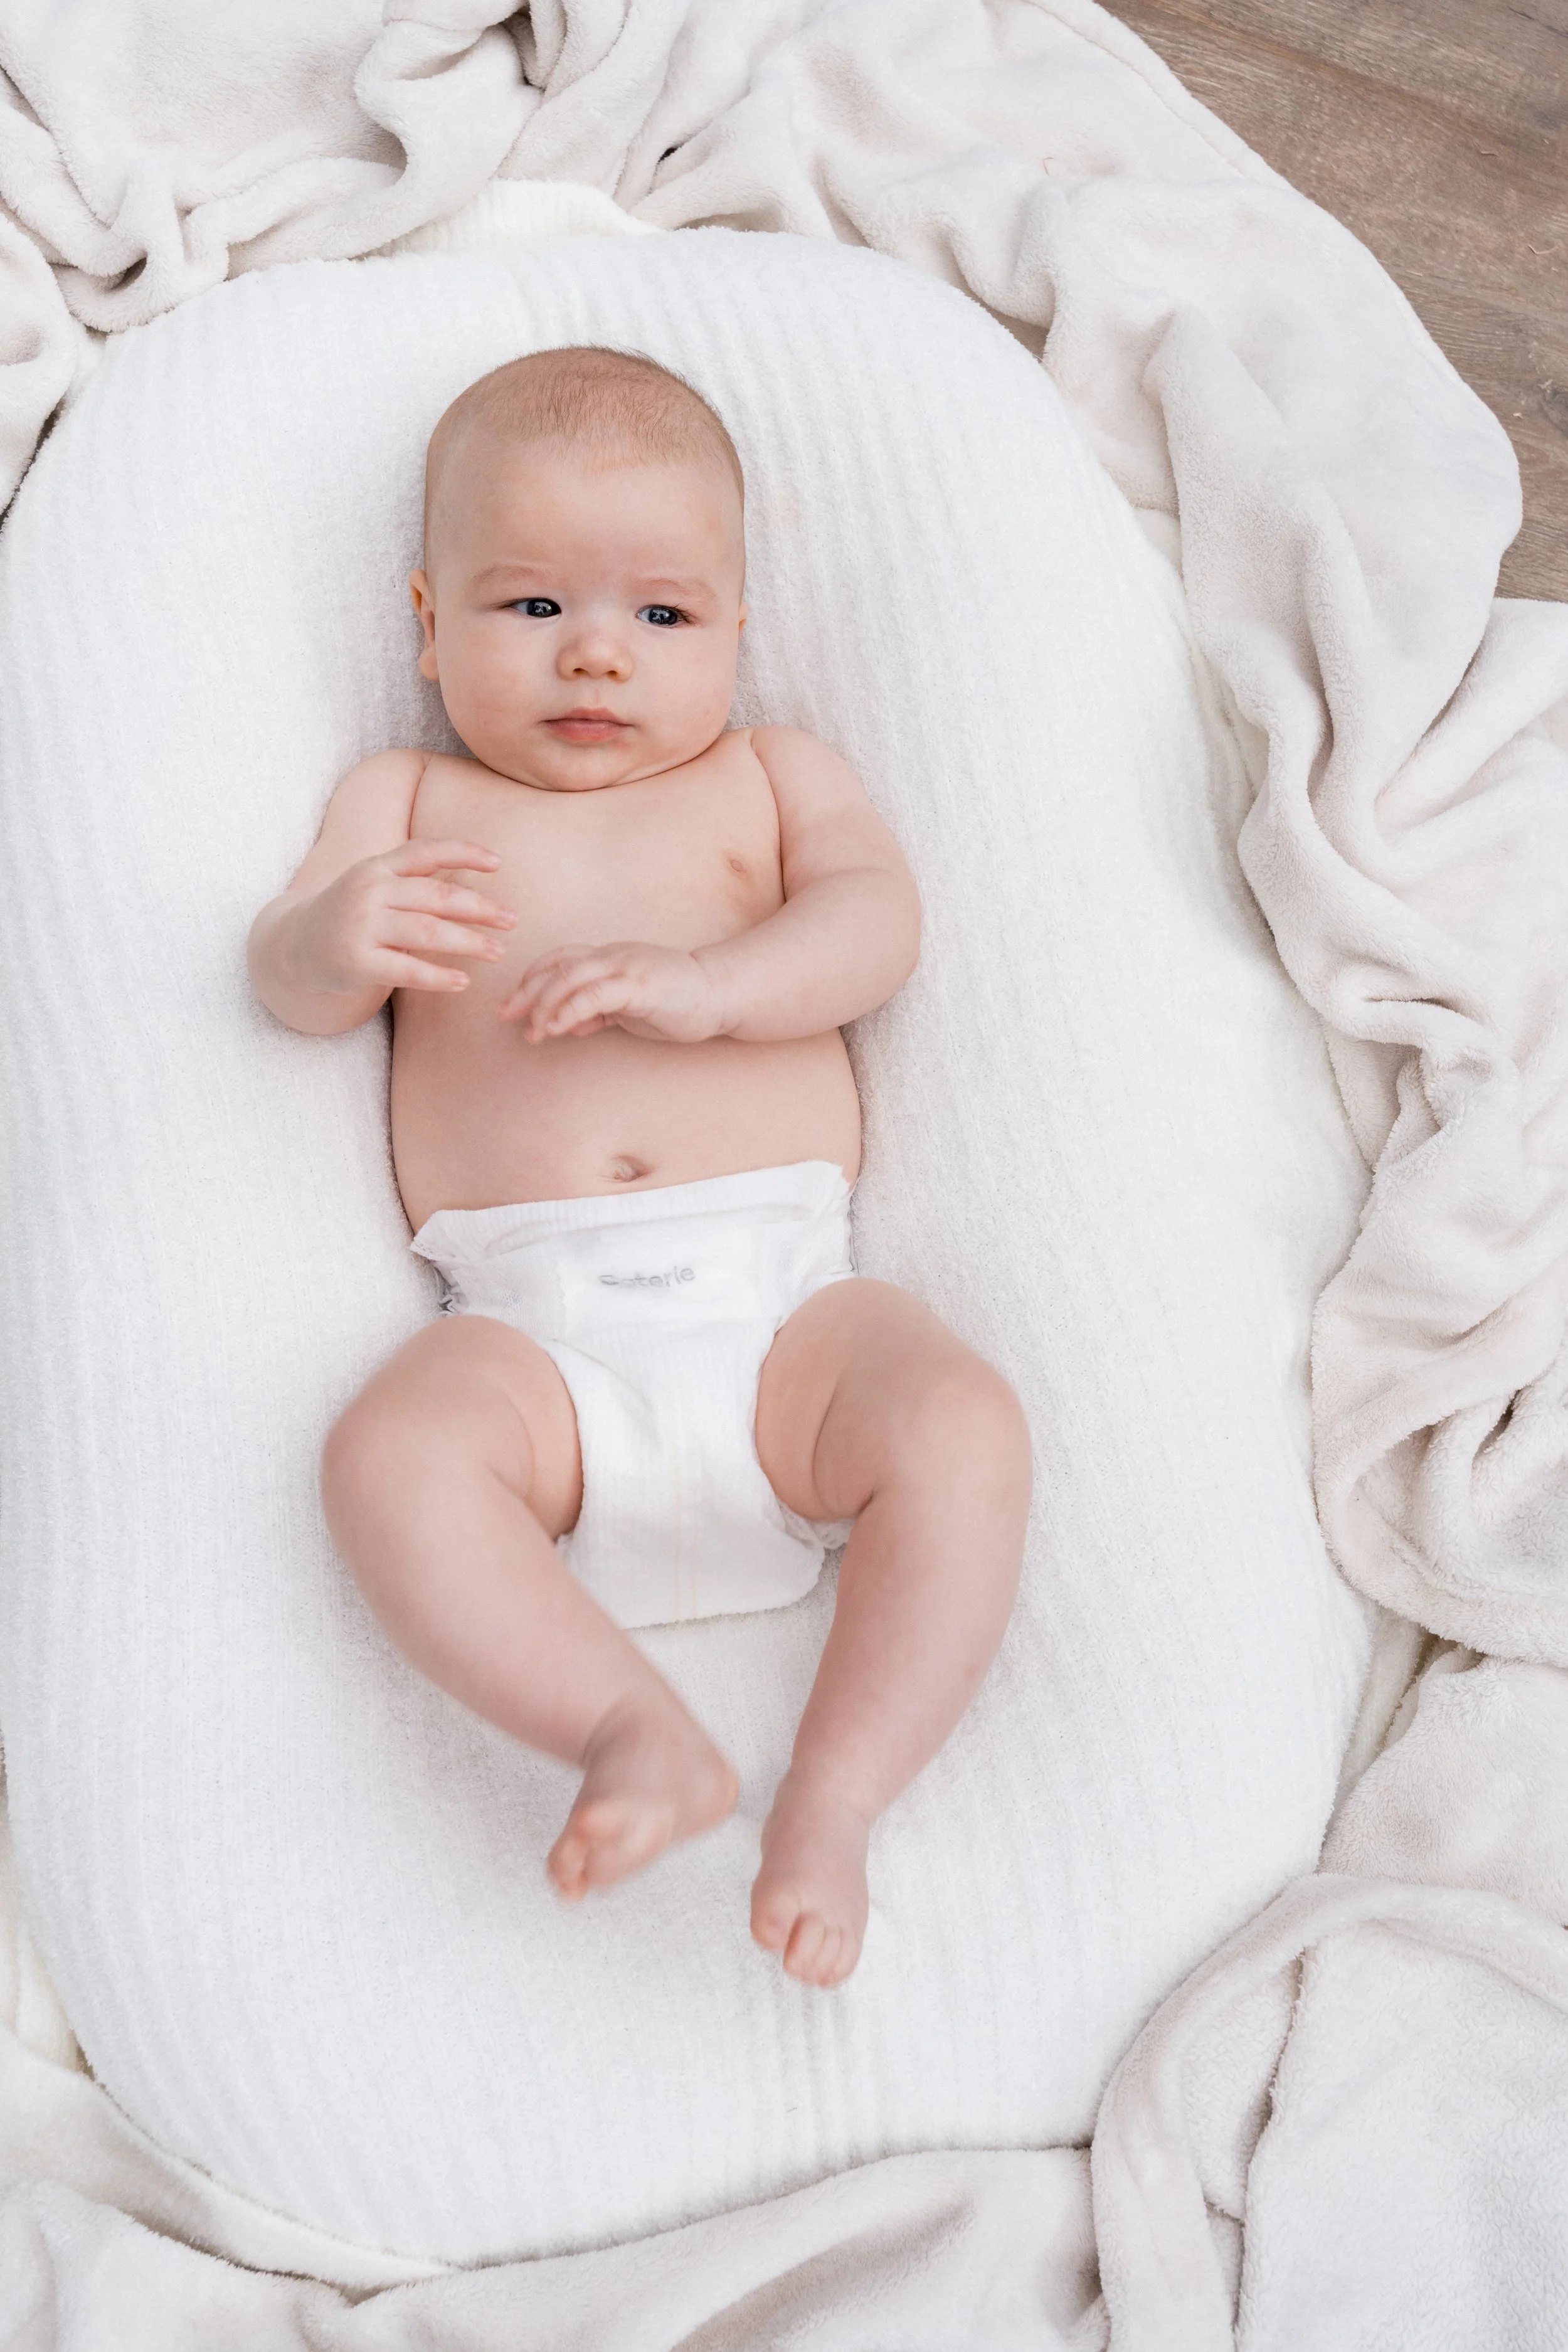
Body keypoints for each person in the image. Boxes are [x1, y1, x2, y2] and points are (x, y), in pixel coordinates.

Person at [248, 346, 1031, 1986]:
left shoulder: (769, 776)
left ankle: (836, 1794)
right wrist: (338, 934)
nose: (596, 649)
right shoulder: (403, 793)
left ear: (735, 632)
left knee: (959, 1424)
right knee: (389, 1453)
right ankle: (631, 1729)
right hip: (533, 1337)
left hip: (784, 1320)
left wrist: (716, 989)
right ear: (425, 618)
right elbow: (289, 989)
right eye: (529, 608)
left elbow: (872, 929)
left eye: (662, 617)